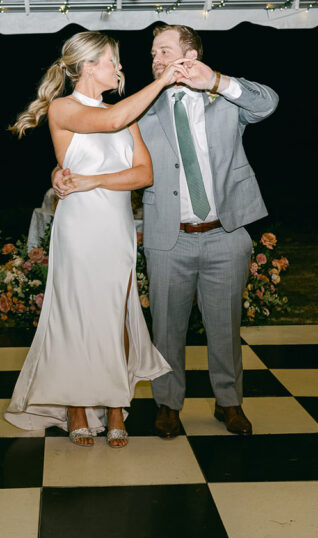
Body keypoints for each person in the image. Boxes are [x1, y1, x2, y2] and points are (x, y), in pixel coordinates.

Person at [56, 24, 279, 438]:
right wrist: (61, 170)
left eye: (164, 51)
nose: (155, 59)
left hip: (226, 233)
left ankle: (229, 403)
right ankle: (167, 406)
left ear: (189, 55)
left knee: (225, 327)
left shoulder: (225, 100)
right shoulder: (143, 109)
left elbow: (268, 103)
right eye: (153, 53)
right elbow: (100, 146)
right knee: (166, 329)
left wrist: (215, 80)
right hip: (167, 236)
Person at [4, 31, 184, 448]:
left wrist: (93, 180)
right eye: (111, 60)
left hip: (116, 226)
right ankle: (76, 407)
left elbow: (145, 173)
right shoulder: (63, 108)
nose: (119, 68)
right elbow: (109, 122)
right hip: (79, 228)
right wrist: (162, 80)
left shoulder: (125, 114)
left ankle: (116, 405)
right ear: (86, 67)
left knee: (115, 314)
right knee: (76, 315)